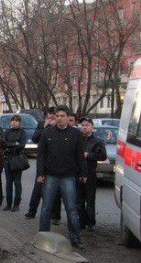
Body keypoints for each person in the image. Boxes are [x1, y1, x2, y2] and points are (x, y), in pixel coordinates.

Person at [37, 105, 87, 248]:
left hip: (68, 176)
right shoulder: (47, 133)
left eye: (62, 116)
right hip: (50, 175)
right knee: (46, 207)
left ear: (67, 117)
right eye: (57, 116)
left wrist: (83, 173)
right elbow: (41, 155)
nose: (59, 118)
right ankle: (42, 236)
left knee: (71, 208)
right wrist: (40, 173)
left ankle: (76, 239)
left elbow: (80, 156)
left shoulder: (75, 134)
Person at [25, 108, 61, 220]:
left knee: (55, 190)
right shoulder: (42, 124)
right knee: (38, 187)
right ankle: (32, 211)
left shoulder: (59, 126)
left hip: (55, 160)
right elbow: (35, 138)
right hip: (43, 159)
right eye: (49, 114)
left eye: (53, 114)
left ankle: (55, 216)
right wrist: (45, 126)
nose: (51, 116)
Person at [77, 117, 107, 230]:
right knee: (78, 200)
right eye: (82, 125)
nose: (84, 127)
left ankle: (91, 222)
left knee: (90, 200)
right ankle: (82, 221)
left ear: (92, 127)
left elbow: (103, 156)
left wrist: (88, 155)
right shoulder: (77, 139)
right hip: (78, 173)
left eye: (87, 125)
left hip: (90, 173)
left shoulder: (98, 141)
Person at [2, 115, 27, 212]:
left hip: (17, 160)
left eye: (16, 121)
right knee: (8, 182)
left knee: (17, 182)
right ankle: (8, 204)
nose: (14, 123)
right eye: (12, 121)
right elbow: (4, 144)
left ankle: (16, 204)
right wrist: (14, 144)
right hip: (7, 159)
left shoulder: (22, 132)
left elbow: (22, 145)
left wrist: (11, 145)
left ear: (20, 123)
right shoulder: (7, 132)